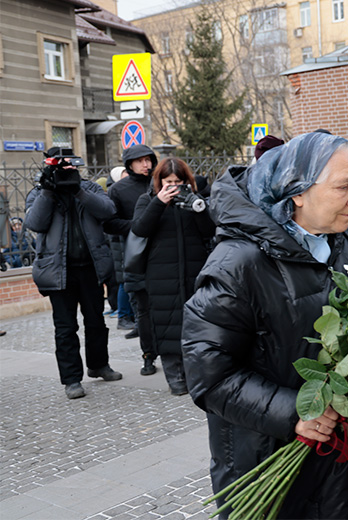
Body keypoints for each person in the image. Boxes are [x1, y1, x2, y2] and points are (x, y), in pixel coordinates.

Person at [182, 133, 348, 518]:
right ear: (296, 193)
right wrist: (294, 412)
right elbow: (208, 374)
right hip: (277, 468)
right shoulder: (237, 265)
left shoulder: (346, 240)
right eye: (343, 187)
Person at [24, 147, 123, 399]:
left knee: (96, 322)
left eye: (71, 167)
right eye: (61, 168)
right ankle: (71, 380)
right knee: (65, 327)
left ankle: (99, 365)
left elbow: (108, 211)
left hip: (90, 267)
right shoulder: (39, 192)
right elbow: (35, 223)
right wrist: (48, 191)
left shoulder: (88, 188)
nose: (67, 173)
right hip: (58, 271)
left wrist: (78, 190)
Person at [132, 158, 214, 396]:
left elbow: (209, 232)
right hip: (161, 274)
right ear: (159, 181)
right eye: (168, 182)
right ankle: (175, 376)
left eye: (178, 182)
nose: (173, 186)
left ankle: (195, 375)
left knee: (196, 325)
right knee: (167, 324)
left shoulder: (194, 199)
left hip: (193, 271)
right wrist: (159, 203)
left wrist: (198, 207)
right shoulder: (147, 200)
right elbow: (139, 229)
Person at [105, 145, 158, 372]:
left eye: (148, 160)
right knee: (143, 311)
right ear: (129, 164)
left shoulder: (161, 181)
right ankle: (148, 355)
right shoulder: (118, 190)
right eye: (140, 161)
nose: (145, 165)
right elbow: (109, 223)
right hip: (136, 256)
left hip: (164, 255)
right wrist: (138, 227)